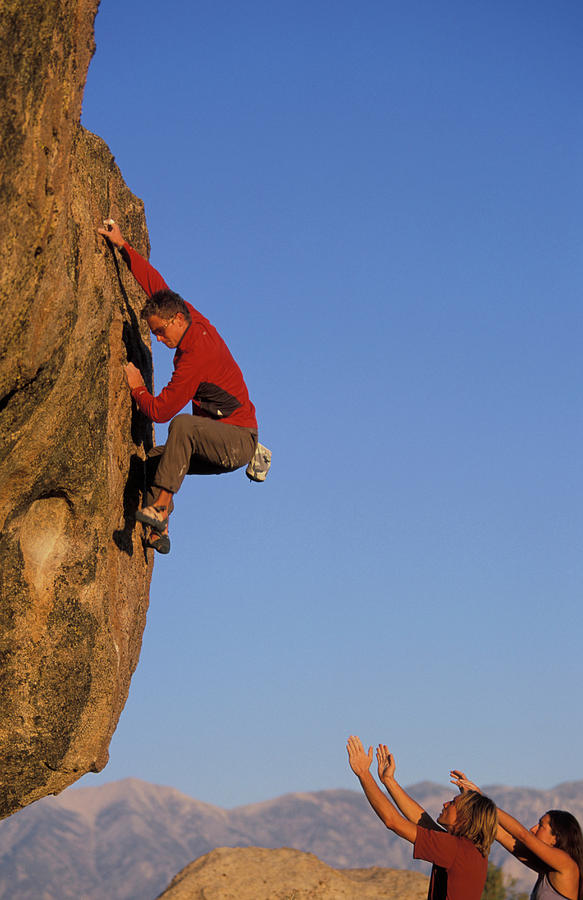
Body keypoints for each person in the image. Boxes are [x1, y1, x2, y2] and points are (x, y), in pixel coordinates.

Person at [98, 218, 261, 554]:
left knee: (181, 426)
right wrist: (122, 245)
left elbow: (161, 412)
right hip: (216, 435)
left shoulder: (195, 355)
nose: (157, 339)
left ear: (175, 321)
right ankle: (157, 532)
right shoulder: (185, 314)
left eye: (159, 332)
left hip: (237, 440)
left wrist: (137, 387)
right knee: (151, 465)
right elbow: (155, 286)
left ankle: (159, 507)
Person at [346, 736, 497, 900]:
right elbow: (423, 823)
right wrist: (388, 781)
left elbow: (393, 821)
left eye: (453, 803)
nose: (446, 804)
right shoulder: (469, 850)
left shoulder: (454, 849)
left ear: (465, 818)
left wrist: (363, 773)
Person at [451, 770, 583, 900]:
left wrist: (481, 800)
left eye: (541, 825)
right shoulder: (547, 869)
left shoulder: (566, 864)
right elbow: (503, 836)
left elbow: (522, 835)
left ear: (556, 838)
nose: (533, 829)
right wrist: (474, 802)